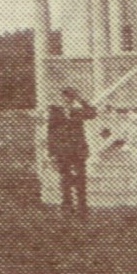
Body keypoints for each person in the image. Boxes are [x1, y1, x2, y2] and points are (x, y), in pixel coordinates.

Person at [46, 87, 93, 216]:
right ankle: (67, 207)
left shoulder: (77, 112)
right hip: (62, 150)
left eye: (70, 97)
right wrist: (52, 153)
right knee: (65, 179)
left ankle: (82, 207)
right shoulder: (55, 112)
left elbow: (92, 113)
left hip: (78, 150)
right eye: (65, 97)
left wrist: (81, 99)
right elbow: (51, 133)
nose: (67, 100)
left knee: (80, 180)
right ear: (61, 98)